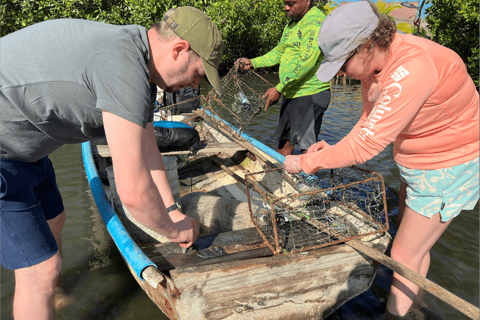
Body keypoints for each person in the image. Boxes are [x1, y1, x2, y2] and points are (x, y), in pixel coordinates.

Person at [0, 6, 223, 319]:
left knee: (56, 219)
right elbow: (133, 195)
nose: (195, 85)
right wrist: (175, 233)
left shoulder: (135, 58)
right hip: (4, 150)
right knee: (39, 272)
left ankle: (56, 294)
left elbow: (148, 152)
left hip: (28, 146)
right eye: (198, 74)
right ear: (179, 50)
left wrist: (173, 213)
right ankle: (44, 288)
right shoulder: (125, 70)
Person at [283, 2, 479, 319]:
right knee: (412, 243)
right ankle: (412, 299)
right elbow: (367, 121)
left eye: (343, 62)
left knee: (403, 251)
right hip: (418, 158)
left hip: (449, 164)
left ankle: (395, 316)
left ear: (368, 44)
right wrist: (331, 149)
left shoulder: (411, 67)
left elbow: (366, 146)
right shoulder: (375, 65)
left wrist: (304, 163)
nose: (341, 72)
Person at [236, 0, 331, 156]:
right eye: (285, 3)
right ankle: (285, 175)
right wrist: (253, 62)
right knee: (284, 143)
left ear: (307, 1)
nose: (287, 8)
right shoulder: (292, 24)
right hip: (292, 91)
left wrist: (279, 88)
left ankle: (309, 180)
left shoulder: (315, 21)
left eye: (291, 3)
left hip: (311, 92)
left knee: (307, 147)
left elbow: (307, 61)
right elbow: (279, 52)